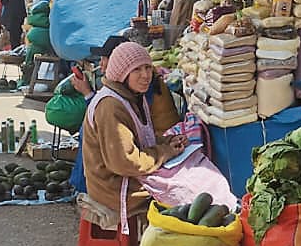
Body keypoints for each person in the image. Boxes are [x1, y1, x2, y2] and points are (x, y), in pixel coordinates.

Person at [81, 42, 229, 235]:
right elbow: (124, 162)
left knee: (201, 172)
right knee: (189, 189)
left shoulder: (132, 96)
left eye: (148, 68)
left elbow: (139, 140)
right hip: (113, 186)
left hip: (127, 174)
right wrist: (165, 152)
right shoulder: (110, 106)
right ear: (122, 73)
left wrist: (165, 142)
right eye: (137, 70)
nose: (145, 75)